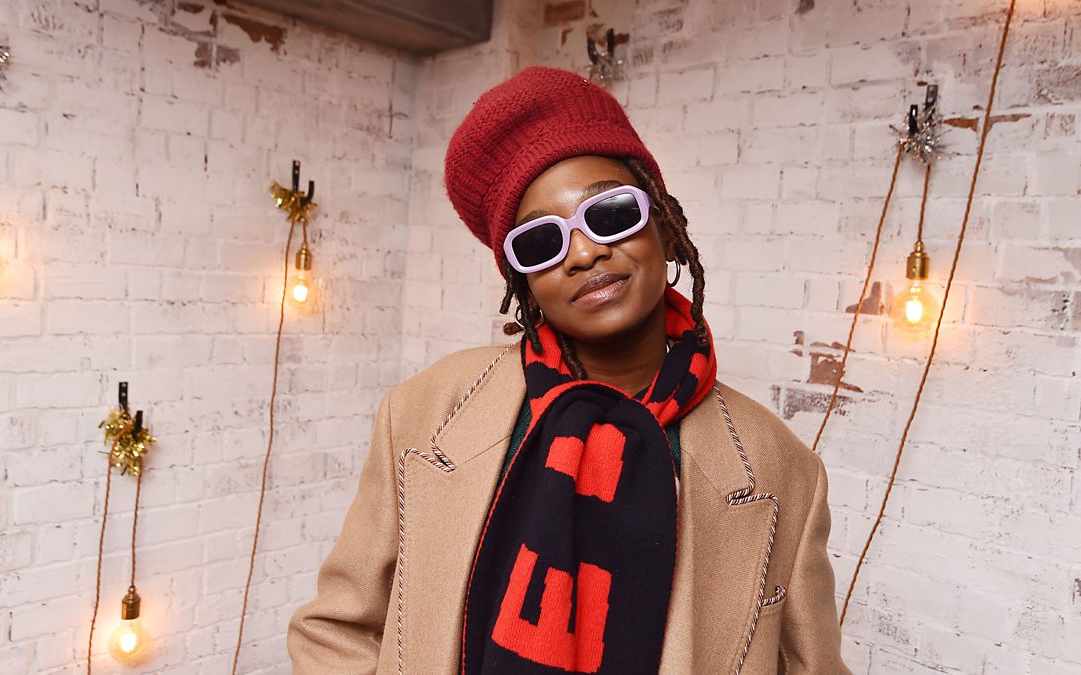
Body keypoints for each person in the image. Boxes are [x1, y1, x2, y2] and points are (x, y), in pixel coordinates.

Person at [287, 66, 849, 674]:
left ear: (664, 226)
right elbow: (336, 630)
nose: (584, 252)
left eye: (610, 214)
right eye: (541, 243)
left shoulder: (782, 472)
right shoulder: (424, 414)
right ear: (523, 281)